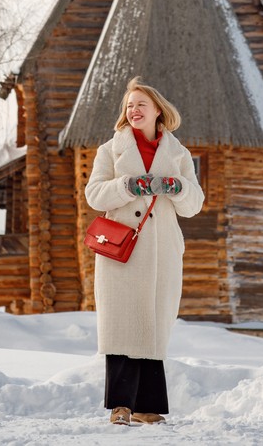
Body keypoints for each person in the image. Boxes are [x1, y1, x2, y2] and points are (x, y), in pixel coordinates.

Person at [85, 76, 205, 425]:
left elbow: (193, 204)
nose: (134, 110)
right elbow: (94, 195)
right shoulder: (110, 150)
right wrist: (127, 185)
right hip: (123, 249)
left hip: (161, 250)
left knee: (152, 324)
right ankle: (120, 405)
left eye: (141, 104)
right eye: (129, 105)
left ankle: (147, 407)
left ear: (157, 111)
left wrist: (177, 185)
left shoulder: (178, 154)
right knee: (122, 324)